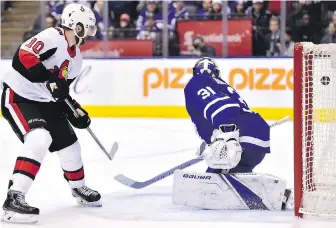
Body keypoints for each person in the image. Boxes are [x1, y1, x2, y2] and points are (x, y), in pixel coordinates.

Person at [0, 3, 100, 224]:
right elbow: (22, 57)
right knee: (39, 137)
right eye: (88, 27)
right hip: (19, 95)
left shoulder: (76, 59)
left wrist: (74, 110)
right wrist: (50, 78)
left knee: (70, 144)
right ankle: (13, 199)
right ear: (76, 25)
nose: (91, 32)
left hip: (45, 102)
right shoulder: (52, 37)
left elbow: (59, 92)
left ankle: (78, 188)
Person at [174, 57, 293, 211]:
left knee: (210, 188)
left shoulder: (197, 82)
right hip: (256, 140)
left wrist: (228, 136)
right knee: (222, 183)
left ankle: (267, 192)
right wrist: (210, 143)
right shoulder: (222, 85)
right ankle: (278, 194)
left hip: (238, 138)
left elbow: (223, 107)